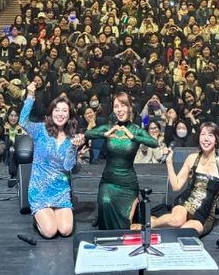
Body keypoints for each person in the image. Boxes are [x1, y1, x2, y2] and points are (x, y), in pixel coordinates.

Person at [20, 81, 86, 238]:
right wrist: (30, 96)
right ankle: (38, 218)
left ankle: (50, 214)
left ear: (69, 115)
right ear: (51, 113)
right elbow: (23, 121)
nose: (60, 114)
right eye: (57, 110)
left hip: (60, 190)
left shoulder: (72, 137)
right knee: (50, 232)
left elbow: (68, 166)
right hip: (39, 190)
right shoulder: (40, 130)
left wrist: (74, 147)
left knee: (65, 231)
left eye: (64, 111)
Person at [152, 122, 219, 236]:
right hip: (185, 203)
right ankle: (151, 223)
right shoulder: (192, 158)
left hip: (205, 214)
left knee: (185, 232)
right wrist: (169, 163)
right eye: (203, 134)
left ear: (216, 140)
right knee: (177, 221)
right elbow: (176, 186)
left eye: (210, 135)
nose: (206, 139)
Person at [84, 92, 158, 230]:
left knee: (124, 225)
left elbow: (154, 143)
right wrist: (104, 134)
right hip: (108, 182)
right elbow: (87, 134)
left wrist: (133, 137)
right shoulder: (109, 127)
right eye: (116, 106)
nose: (119, 109)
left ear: (130, 108)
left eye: (123, 105)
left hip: (128, 184)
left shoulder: (136, 130)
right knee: (106, 202)